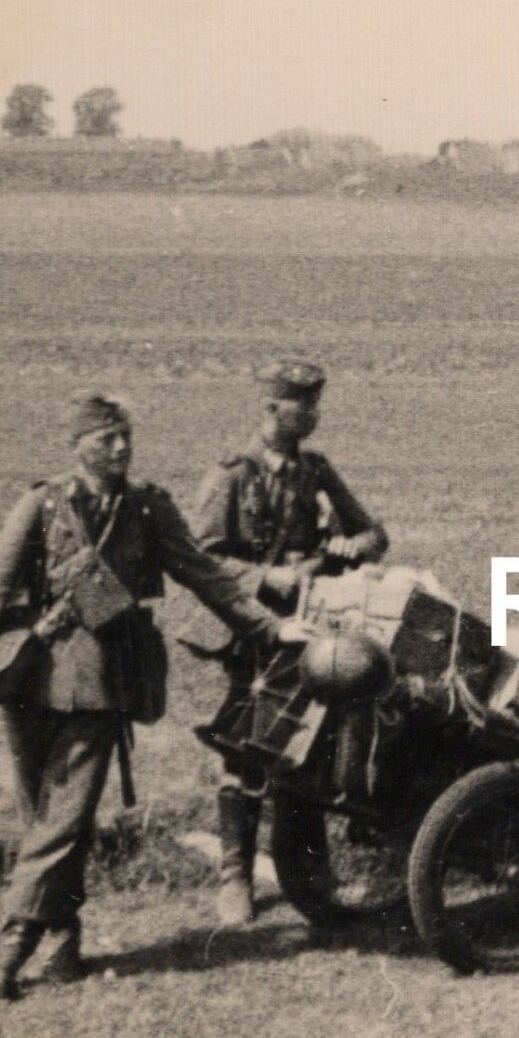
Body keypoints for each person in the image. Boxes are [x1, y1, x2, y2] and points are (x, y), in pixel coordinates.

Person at [0, 392, 311, 1000]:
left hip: (105, 680)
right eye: (107, 438)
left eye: (126, 436)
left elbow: (206, 574)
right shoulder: (43, 505)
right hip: (31, 679)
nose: (122, 447)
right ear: (77, 445)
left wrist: (269, 629)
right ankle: (63, 942)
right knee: (43, 817)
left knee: (65, 817)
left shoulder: (147, 509)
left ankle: (12, 944)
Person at [186, 360, 388, 926]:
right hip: (252, 631)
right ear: (272, 408)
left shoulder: (314, 471)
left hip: (312, 628)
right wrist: (263, 578)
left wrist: (354, 548)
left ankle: (308, 870)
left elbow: (374, 534)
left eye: (316, 402)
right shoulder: (234, 474)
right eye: (303, 404)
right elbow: (202, 556)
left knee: (309, 746)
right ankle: (235, 877)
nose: (314, 414)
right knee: (247, 751)